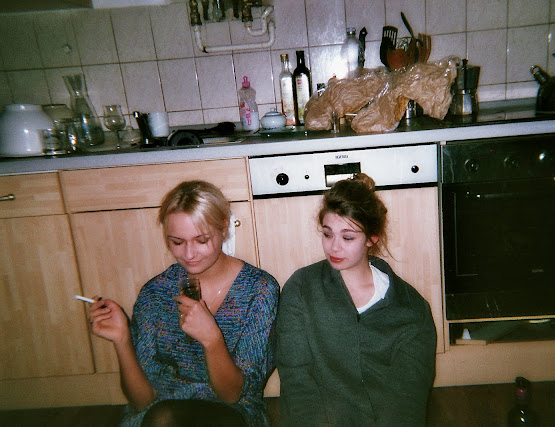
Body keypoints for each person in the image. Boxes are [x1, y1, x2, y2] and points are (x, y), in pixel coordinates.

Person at [88, 180, 279, 426]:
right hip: (159, 410)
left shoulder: (259, 290)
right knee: (162, 417)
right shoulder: (155, 293)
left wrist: (212, 340)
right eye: (177, 242)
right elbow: (141, 401)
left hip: (232, 412)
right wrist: (122, 340)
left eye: (202, 240)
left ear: (224, 227)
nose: (189, 255)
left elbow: (233, 395)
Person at [275, 173, 437, 426]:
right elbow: (296, 379)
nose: (334, 247)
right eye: (327, 234)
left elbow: (408, 399)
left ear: (372, 237)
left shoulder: (411, 309)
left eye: (348, 237)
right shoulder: (301, 288)